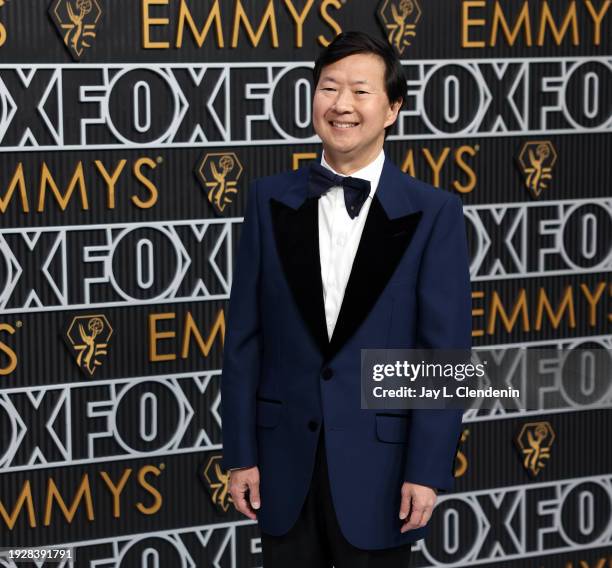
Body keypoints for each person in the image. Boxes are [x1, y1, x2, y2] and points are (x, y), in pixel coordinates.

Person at [220, 31, 471, 567]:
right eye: (329, 88)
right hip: (282, 465)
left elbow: (445, 358)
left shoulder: (433, 213)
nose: (342, 105)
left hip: (382, 470)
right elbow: (244, 339)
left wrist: (427, 471)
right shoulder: (268, 200)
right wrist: (240, 454)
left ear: (392, 109)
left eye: (360, 91)